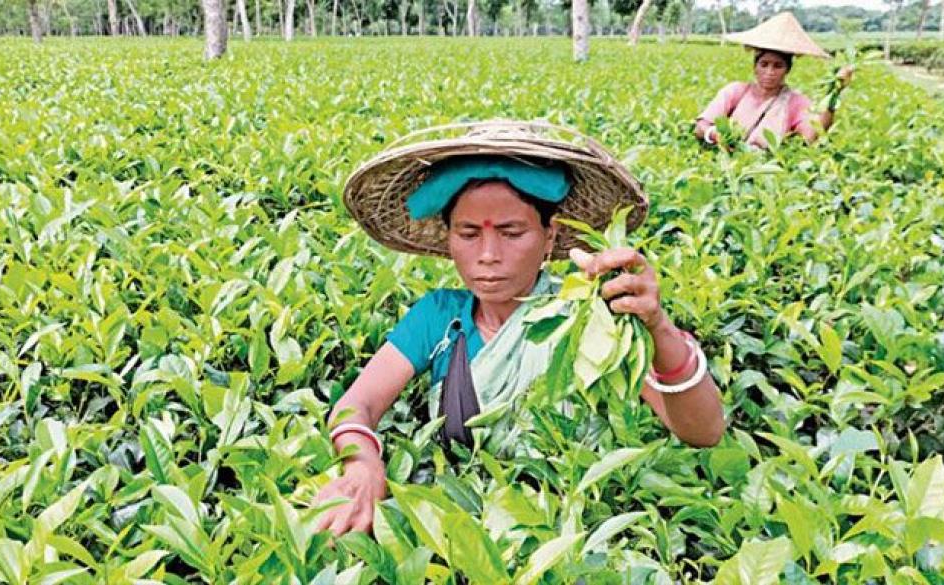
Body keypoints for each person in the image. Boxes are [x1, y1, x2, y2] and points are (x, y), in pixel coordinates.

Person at [314, 121, 726, 536]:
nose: (488, 255)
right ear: (450, 238)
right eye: (469, 233)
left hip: (575, 534)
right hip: (460, 528)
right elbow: (355, 405)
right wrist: (363, 464)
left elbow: (703, 432)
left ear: (550, 236)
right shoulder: (439, 318)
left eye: (512, 232)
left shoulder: (592, 316)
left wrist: (657, 326)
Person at [694, 12, 854, 149]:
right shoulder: (736, 91)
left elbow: (813, 136)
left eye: (778, 66)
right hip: (727, 167)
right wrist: (715, 135)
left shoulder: (796, 102)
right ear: (755, 66)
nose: (769, 72)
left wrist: (835, 93)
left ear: (787, 69)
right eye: (764, 64)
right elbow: (701, 126)